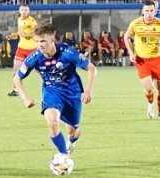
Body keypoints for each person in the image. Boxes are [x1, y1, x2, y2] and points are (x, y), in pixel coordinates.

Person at [11, 22, 97, 158]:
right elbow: (16, 79)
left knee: (73, 130)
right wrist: (25, 98)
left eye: (43, 41)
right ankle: (63, 155)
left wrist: (88, 91)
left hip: (72, 93)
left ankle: (71, 141)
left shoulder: (68, 53)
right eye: (37, 41)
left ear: (53, 39)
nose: (40, 45)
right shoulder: (34, 58)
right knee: (52, 122)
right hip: (51, 92)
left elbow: (92, 69)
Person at [124, 0, 160, 121]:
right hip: (142, 61)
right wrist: (131, 53)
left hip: (157, 60)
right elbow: (126, 37)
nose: (149, 13)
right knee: (149, 89)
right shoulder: (135, 24)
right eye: (146, 11)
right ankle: (150, 104)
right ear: (143, 11)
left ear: (155, 11)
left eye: (151, 11)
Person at [8, 3, 37, 97]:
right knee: (16, 69)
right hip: (21, 48)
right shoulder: (19, 19)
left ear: (29, 11)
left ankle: (52, 85)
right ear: (19, 11)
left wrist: (25, 35)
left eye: (26, 10)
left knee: (39, 70)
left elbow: (33, 34)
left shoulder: (32, 22)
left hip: (32, 48)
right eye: (22, 10)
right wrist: (13, 35)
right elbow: (20, 32)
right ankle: (16, 90)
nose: (24, 12)